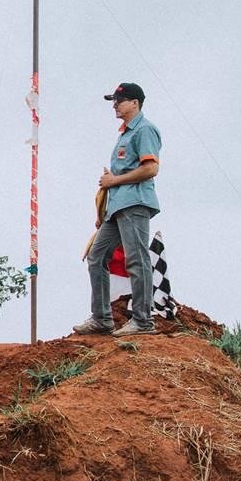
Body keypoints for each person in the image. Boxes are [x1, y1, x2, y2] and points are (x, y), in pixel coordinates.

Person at [75, 82, 162, 337]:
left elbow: (151, 168)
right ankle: (102, 319)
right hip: (117, 205)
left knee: (136, 258)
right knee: (96, 256)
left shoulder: (144, 129)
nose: (115, 105)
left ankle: (143, 321)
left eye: (119, 101)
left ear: (135, 103)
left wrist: (114, 180)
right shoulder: (125, 134)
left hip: (135, 203)